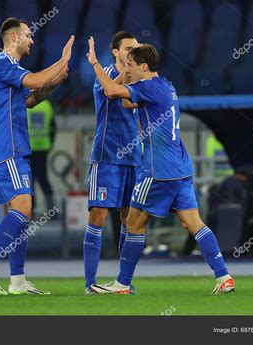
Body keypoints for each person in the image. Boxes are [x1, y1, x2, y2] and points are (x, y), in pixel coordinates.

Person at [85, 38, 235, 294]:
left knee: (132, 224)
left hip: (157, 170)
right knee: (194, 224)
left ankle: (122, 284)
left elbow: (110, 91)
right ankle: (224, 277)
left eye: (131, 65)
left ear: (144, 67)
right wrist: (126, 79)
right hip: (181, 169)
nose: (127, 70)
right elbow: (124, 101)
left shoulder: (148, 87)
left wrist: (95, 63)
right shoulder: (165, 86)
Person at [0, 17, 73, 295]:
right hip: (7, 148)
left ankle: (17, 281)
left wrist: (56, 82)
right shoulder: (1, 63)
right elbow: (38, 79)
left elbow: (31, 99)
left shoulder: (10, 69)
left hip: (16, 148)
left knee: (23, 214)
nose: (32, 40)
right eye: (28, 35)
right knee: (22, 209)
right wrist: (62, 60)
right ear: (14, 38)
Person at [83, 31, 141, 293]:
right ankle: (89, 283)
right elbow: (111, 89)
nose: (133, 52)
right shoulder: (104, 74)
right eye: (128, 48)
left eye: (136, 49)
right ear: (116, 52)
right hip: (106, 156)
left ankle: (122, 283)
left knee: (131, 221)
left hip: (133, 159)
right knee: (98, 217)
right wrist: (96, 62)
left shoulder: (139, 80)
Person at [27, 99, 56, 212]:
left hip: (29, 148)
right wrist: (50, 143)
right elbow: (53, 126)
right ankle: (52, 210)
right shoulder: (47, 105)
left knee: (30, 179)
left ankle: (30, 210)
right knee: (43, 178)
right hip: (43, 147)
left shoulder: (25, 104)